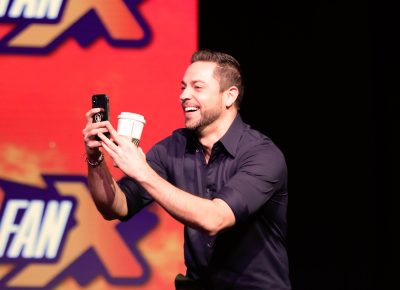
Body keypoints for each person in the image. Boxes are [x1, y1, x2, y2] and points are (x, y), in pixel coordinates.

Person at [82, 49, 292, 290]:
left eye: (197, 87)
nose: (184, 95)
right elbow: (117, 207)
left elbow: (215, 218)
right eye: (183, 87)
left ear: (229, 96)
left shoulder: (262, 154)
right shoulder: (174, 147)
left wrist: (143, 172)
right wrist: (94, 158)